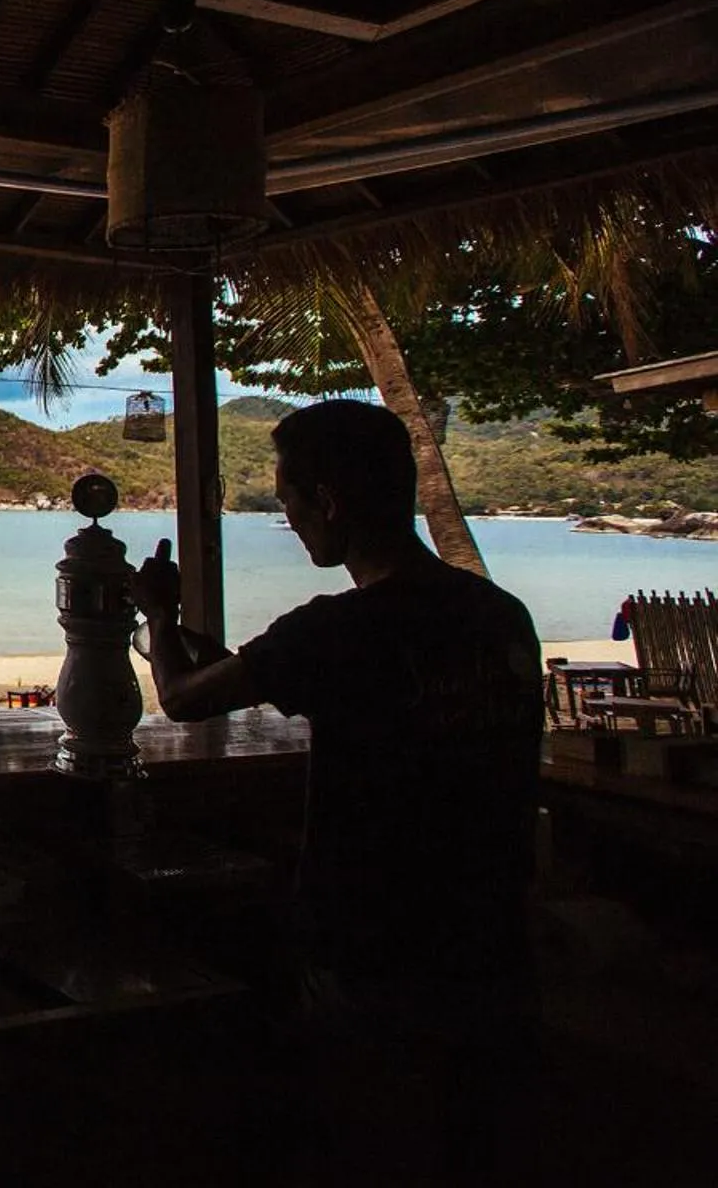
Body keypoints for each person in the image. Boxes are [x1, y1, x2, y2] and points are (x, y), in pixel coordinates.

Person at [126, 398, 542, 1184]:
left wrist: (157, 615)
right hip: (494, 938)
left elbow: (182, 700)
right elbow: (258, 675)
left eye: (288, 501)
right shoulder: (497, 615)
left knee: (374, 1141)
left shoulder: (338, 630)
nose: (291, 519)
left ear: (331, 501)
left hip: (375, 945)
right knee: (477, 1142)